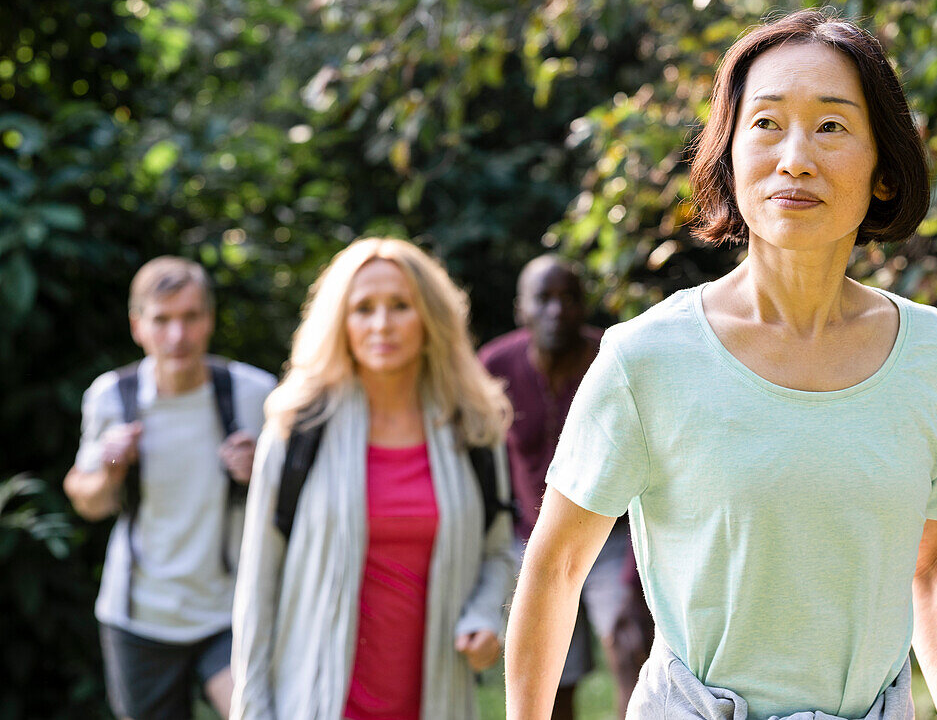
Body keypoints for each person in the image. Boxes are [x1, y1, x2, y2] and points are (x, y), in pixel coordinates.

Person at [506, 8, 937, 720]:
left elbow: (936, 562)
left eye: (831, 126)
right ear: (728, 157)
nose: (795, 156)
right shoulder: (646, 358)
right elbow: (557, 568)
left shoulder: (934, 354)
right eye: (765, 124)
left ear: (883, 170)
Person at [231, 237, 515, 720]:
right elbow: (258, 588)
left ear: (430, 317)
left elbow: (499, 553)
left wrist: (487, 616)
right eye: (363, 308)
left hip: (436, 702)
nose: (381, 324)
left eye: (400, 306)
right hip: (316, 703)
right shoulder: (298, 431)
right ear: (340, 323)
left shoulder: (473, 429)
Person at [64, 256, 277, 720]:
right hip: (140, 616)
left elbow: (298, 503)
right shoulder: (112, 397)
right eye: (162, 320)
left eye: (190, 317)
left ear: (210, 321)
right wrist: (112, 469)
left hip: (231, 610)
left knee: (255, 714)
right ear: (137, 326)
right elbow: (87, 501)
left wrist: (260, 472)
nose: (177, 336)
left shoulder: (253, 392)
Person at [479, 255, 653, 718]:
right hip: (531, 537)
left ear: (583, 306)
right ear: (522, 310)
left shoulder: (613, 359)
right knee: (550, 672)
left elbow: (652, 461)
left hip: (612, 534)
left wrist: (635, 576)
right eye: (544, 299)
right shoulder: (495, 365)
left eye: (569, 298)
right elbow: (469, 453)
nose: (557, 310)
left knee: (629, 641)